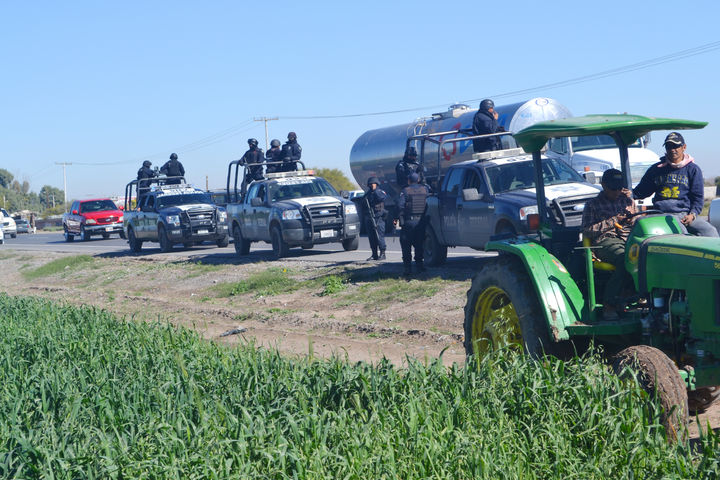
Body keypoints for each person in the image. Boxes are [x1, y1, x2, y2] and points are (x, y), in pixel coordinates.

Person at [633, 132, 718, 237]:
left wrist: (692, 215)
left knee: (710, 231)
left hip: (684, 215)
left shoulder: (693, 170)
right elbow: (640, 192)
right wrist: (626, 194)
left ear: (684, 147)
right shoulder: (656, 170)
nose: (672, 149)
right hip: (661, 215)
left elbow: (698, 199)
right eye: (669, 146)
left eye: (675, 146)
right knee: (682, 234)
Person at [582, 169, 637, 320]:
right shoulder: (592, 205)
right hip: (605, 241)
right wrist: (614, 221)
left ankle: (639, 297)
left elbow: (636, 221)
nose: (617, 192)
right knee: (624, 259)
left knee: (649, 255)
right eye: (613, 188)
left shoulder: (627, 201)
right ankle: (609, 304)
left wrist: (632, 218)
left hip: (629, 239)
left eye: (620, 188)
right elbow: (587, 230)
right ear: (603, 185)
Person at [396, 173, 430, 275]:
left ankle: (408, 269)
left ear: (409, 180)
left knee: (406, 245)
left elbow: (399, 205)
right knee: (419, 245)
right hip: (421, 222)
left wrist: (400, 216)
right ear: (418, 180)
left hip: (409, 222)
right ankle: (419, 267)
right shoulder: (425, 190)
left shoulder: (406, 191)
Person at [363, 176, 387, 261]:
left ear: (376, 184)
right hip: (370, 217)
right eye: (370, 184)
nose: (371, 186)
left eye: (372, 184)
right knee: (372, 237)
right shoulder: (368, 194)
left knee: (379, 236)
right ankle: (374, 254)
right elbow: (363, 201)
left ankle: (382, 253)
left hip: (378, 217)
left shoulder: (380, 192)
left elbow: (382, 198)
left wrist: (375, 191)